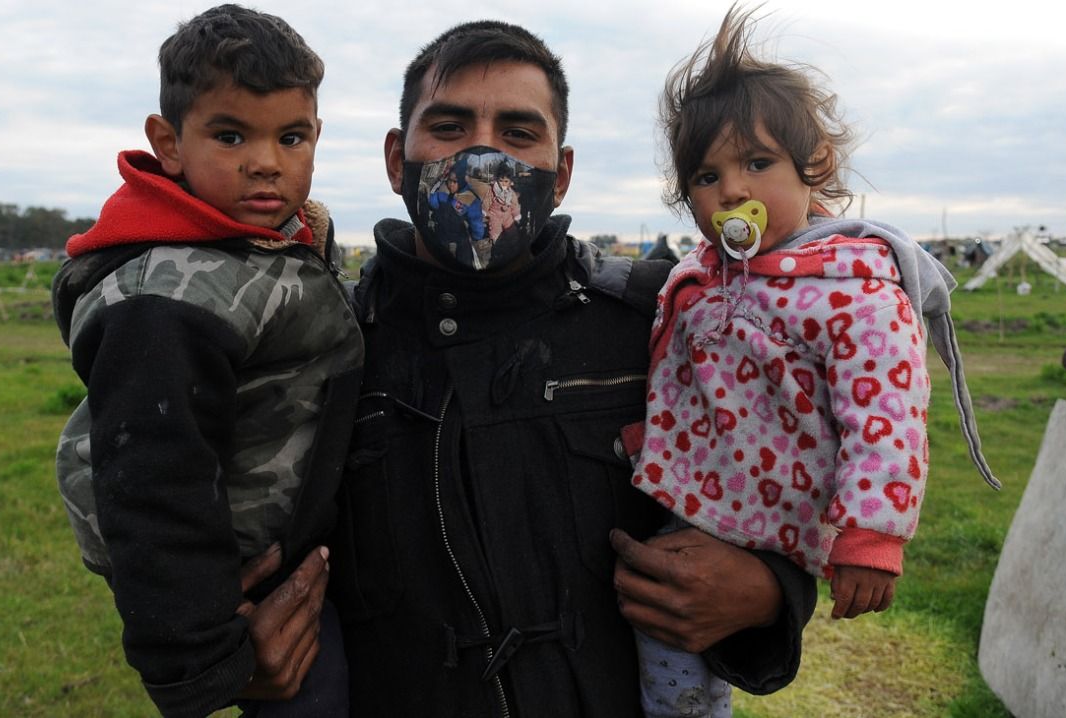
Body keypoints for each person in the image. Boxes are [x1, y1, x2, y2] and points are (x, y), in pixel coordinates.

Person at [319, 20, 817, 717]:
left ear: (564, 171)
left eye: (520, 133)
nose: (485, 154)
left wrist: (768, 594)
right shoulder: (328, 343)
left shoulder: (661, 323)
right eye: (452, 126)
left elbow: (774, 477)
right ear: (397, 158)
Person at [625, 7, 1000, 716]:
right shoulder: (706, 276)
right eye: (706, 176)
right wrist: (654, 443)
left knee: (676, 666)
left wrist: (872, 534)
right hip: (693, 504)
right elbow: (680, 371)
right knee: (658, 645)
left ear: (814, 166)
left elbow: (886, 417)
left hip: (776, 521)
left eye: (757, 163)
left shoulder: (854, 286)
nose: (730, 191)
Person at [50, 5, 362, 716]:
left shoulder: (269, 240)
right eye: (230, 134)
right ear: (168, 143)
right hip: (257, 599)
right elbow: (154, 483)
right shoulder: (165, 297)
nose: (266, 161)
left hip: (302, 558)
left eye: (291, 137)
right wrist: (199, 658)